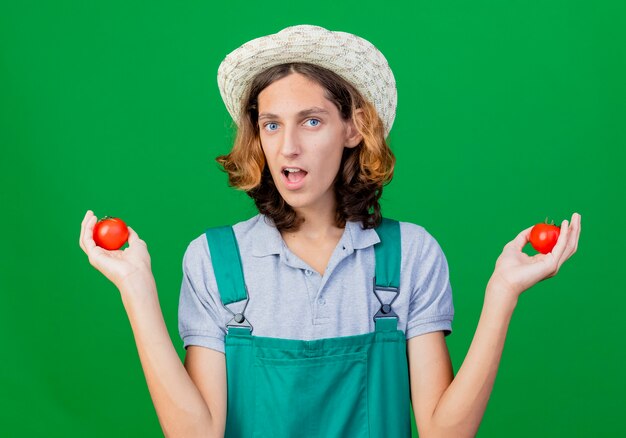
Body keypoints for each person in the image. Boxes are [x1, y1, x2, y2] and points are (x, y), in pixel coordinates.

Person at [79, 24, 581, 438]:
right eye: (271, 125)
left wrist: (502, 294)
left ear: (354, 128)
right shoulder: (214, 259)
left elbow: (444, 433)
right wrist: (137, 293)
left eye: (312, 121)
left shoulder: (409, 256)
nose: (288, 147)